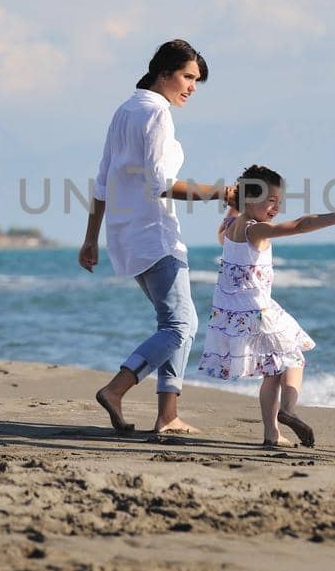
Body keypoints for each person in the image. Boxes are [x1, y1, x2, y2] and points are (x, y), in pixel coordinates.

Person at [79, 40, 236, 435]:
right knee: (181, 326)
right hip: (154, 234)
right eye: (187, 77)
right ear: (163, 73)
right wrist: (222, 192)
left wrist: (91, 238)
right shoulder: (155, 114)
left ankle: (167, 415)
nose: (192, 87)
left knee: (173, 322)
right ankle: (118, 388)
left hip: (126, 235)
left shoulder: (125, 110)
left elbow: (102, 181)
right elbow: (162, 183)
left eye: (196, 80)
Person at [195, 165, 335, 447]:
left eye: (279, 203)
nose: (276, 209)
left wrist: (233, 207)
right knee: (294, 358)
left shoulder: (231, 226)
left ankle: (272, 433)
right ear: (250, 200)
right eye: (271, 202)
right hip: (257, 310)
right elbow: (300, 225)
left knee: (272, 371)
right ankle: (289, 410)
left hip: (233, 313)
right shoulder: (255, 230)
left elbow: (224, 236)